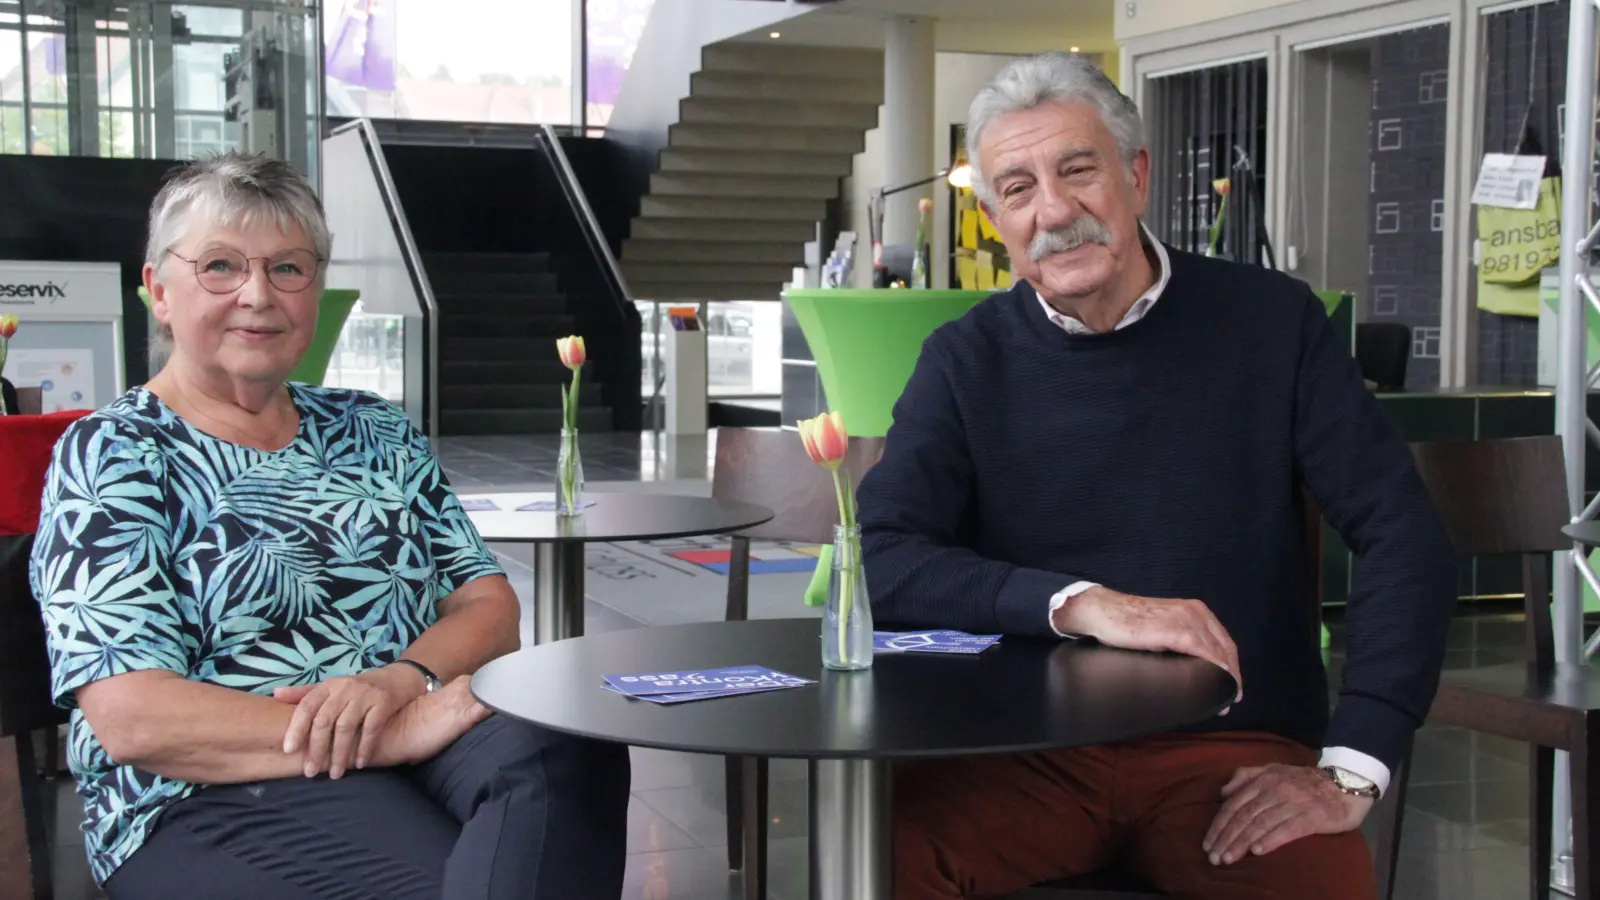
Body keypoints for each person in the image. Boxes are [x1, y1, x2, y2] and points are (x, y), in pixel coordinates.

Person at [856, 52, 1456, 900]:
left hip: (1230, 749)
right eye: (1018, 188)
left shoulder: (1274, 324)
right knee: (878, 866)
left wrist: (1353, 766)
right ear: (995, 222)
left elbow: (1404, 537)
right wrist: (1080, 601)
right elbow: (880, 557)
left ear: (1136, 176)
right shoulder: (964, 360)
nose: (1055, 211)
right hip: (1020, 751)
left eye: (1077, 169)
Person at [30, 152, 630, 900]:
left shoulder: (373, 428)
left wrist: (398, 680)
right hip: (211, 785)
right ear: (158, 289)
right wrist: (386, 732)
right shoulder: (114, 451)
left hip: (416, 714)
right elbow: (132, 718)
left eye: (289, 268)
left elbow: (487, 604)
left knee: (563, 747)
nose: (258, 295)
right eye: (220, 266)